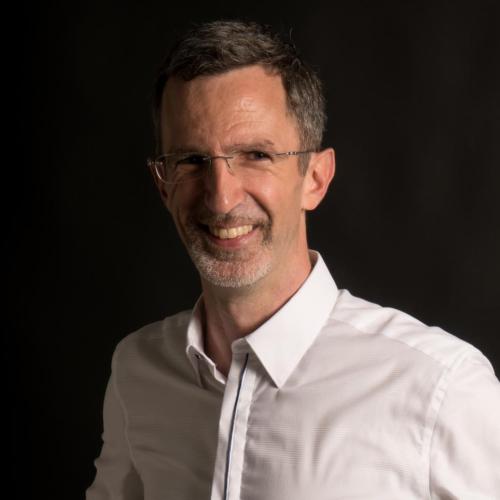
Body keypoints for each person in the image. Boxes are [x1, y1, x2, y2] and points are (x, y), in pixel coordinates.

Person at [86, 20, 500, 500]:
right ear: (163, 185)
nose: (221, 198)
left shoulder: (441, 389)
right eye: (191, 161)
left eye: (255, 155)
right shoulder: (138, 372)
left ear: (315, 179)